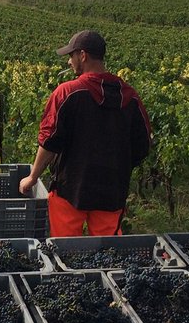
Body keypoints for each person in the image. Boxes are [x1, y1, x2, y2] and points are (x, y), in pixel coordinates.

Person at [19, 30, 152, 236]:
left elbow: (49, 140)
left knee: (67, 251)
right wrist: (118, 167)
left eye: (71, 56)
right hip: (112, 191)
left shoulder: (67, 92)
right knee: (108, 254)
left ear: (83, 55)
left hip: (70, 189)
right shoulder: (129, 96)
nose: (69, 62)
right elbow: (142, 144)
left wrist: (33, 176)